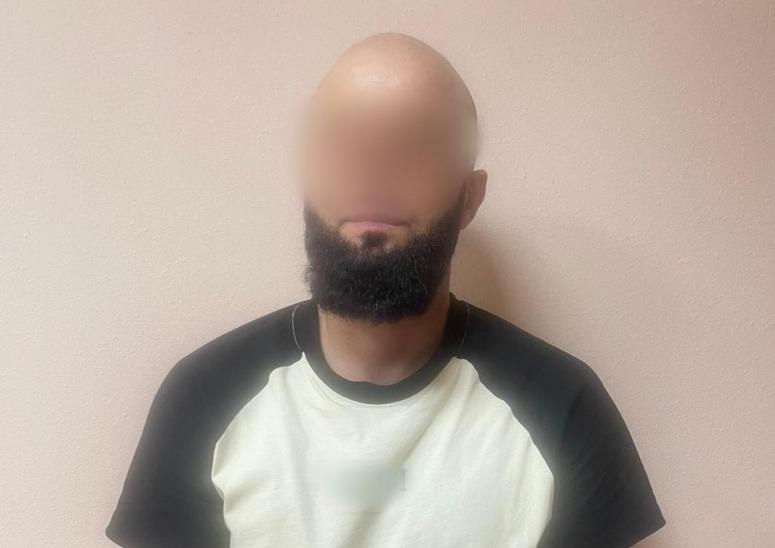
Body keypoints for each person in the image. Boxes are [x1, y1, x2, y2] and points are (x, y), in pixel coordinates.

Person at [105, 32, 666, 548]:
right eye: (342, 141)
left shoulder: (563, 409)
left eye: (415, 142)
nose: (373, 167)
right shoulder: (203, 396)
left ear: (469, 199)